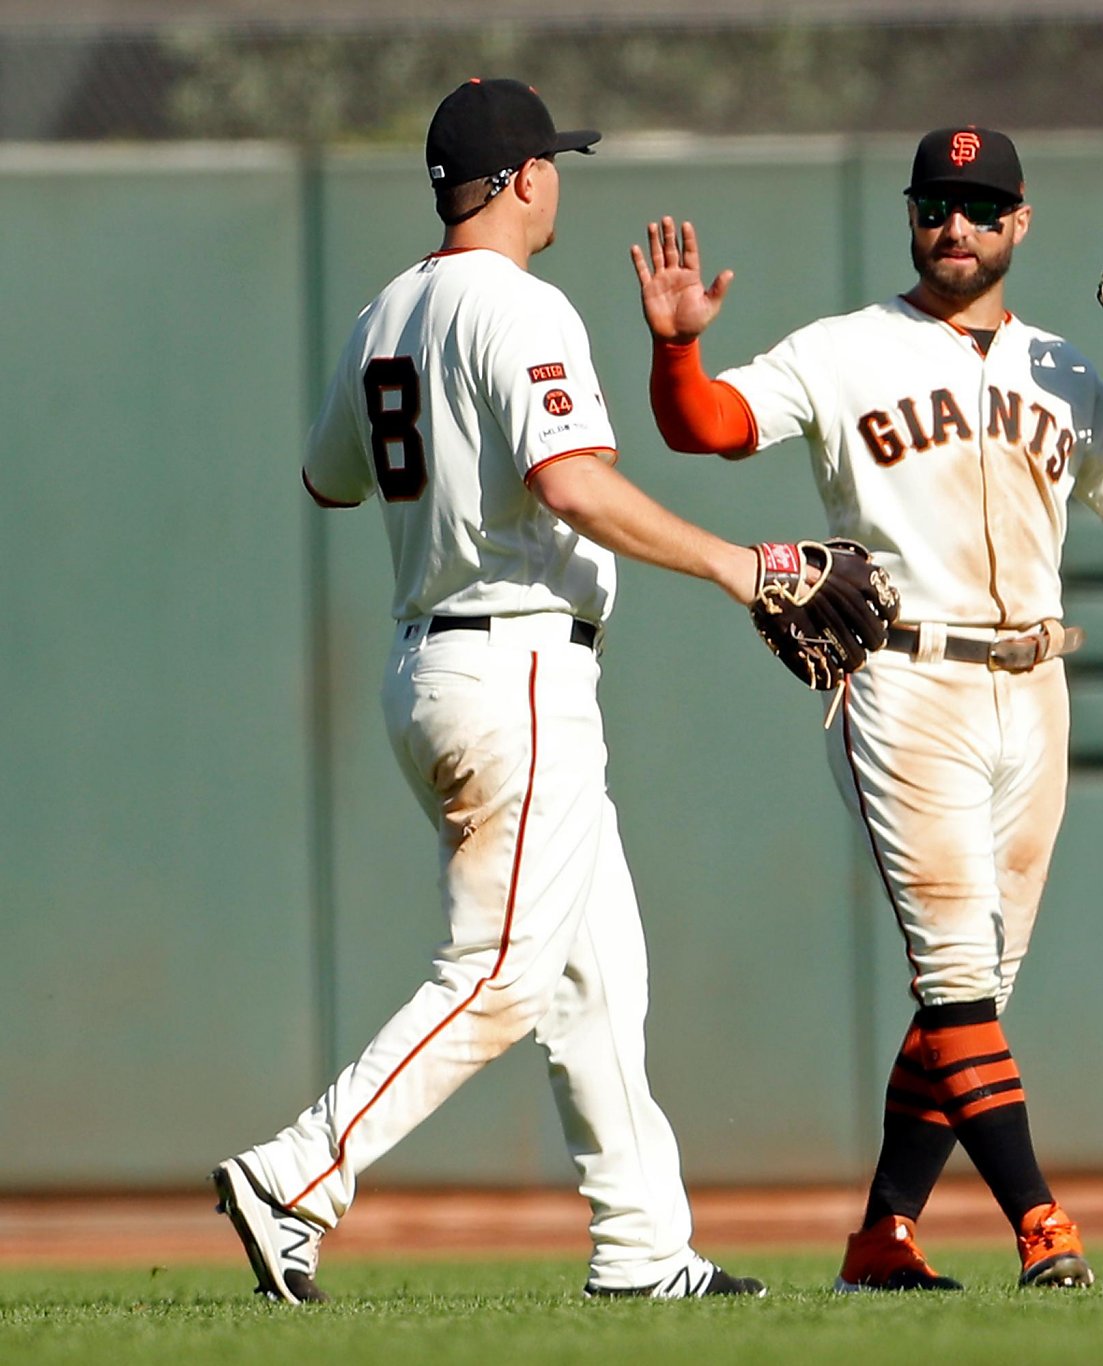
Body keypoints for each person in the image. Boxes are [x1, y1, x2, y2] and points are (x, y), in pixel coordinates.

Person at [630, 126, 1103, 1290]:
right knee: (957, 975)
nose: (951, 223)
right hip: (906, 677)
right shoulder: (844, 348)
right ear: (912, 217)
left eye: (976, 203)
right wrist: (675, 355)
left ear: (1018, 222)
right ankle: (1042, 1224)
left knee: (978, 991)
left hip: (1033, 685)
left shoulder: (1062, 368)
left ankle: (880, 1236)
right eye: (933, 202)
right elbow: (702, 426)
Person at [212, 77, 788, 1304]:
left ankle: (642, 1248)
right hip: (514, 663)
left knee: (597, 978)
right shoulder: (521, 306)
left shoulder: (387, 308)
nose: (559, 179)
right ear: (523, 178)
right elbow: (575, 486)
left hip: (435, 659)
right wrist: (741, 565)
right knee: (502, 971)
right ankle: (293, 1176)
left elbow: (331, 481)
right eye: (554, 162)